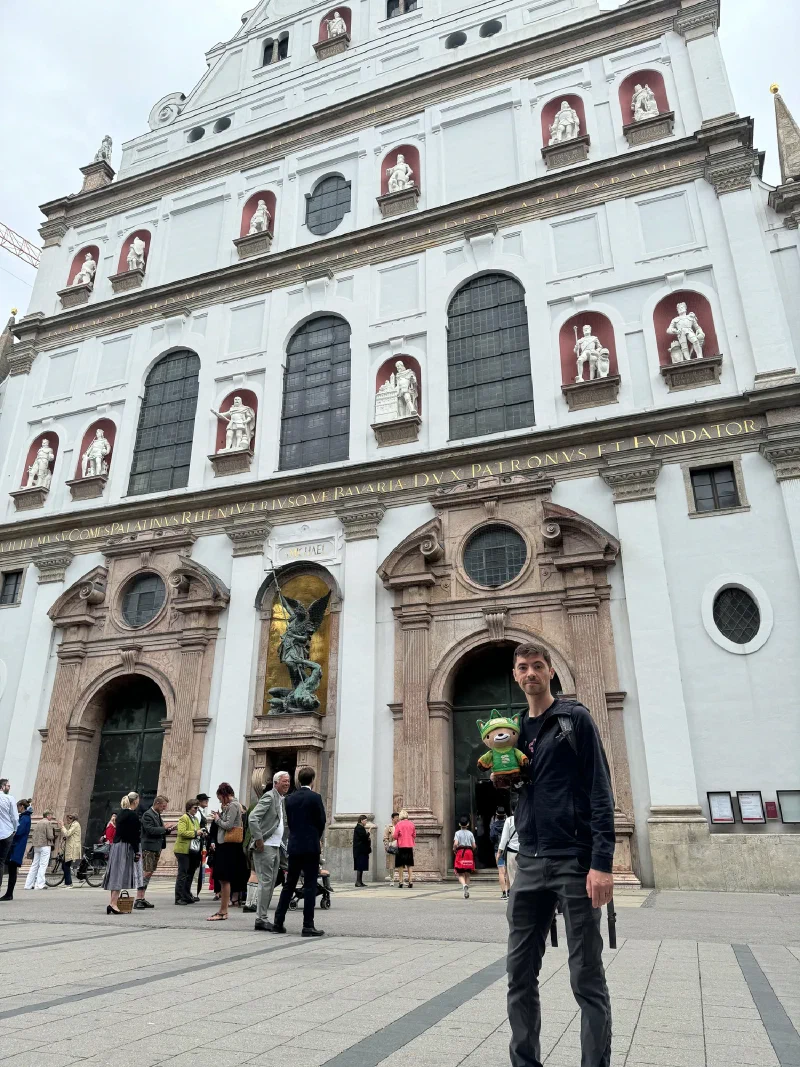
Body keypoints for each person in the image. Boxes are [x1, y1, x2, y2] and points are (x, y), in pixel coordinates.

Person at [504, 642, 615, 1067]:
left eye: (537, 666)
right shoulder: (514, 729)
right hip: (529, 861)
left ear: (550, 671)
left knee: (586, 978)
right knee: (518, 975)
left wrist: (601, 863)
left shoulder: (574, 719)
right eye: (523, 667)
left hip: (574, 861)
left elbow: (600, 790)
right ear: (516, 675)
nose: (530, 673)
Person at [267, 765, 326, 937]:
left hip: (294, 845)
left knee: (289, 884)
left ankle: (278, 922)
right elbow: (321, 821)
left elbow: (290, 822)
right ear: (313, 780)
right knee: (310, 885)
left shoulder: (290, 799)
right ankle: (308, 925)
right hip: (311, 846)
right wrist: (315, 836)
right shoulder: (315, 797)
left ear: (298, 781)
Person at [248, 770, 290, 930]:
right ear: (276, 783)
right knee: (266, 882)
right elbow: (253, 817)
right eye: (284, 781)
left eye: (289, 781)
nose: (287, 784)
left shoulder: (280, 799)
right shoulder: (269, 797)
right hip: (265, 846)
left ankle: (262, 917)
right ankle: (261, 918)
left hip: (276, 846)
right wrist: (259, 839)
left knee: (270, 883)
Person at [207, 783, 247, 921]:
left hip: (228, 845)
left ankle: (223, 911)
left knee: (224, 878)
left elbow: (229, 826)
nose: (220, 801)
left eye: (220, 798)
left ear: (224, 795)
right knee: (223, 878)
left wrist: (217, 819)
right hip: (225, 845)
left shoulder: (233, 805)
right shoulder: (231, 806)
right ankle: (222, 910)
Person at [102, 791, 144, 914]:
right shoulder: (132, 815)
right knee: (119, 873)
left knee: (115, 873)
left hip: (116, 846)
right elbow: (133, 835)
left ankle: (112, 902)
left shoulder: (120, 813)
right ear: (135, 801)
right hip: (125, 846)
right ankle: (113, 904)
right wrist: (137, 851)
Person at [139, 795, 171, 908]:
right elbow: (150, 830)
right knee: (147, 872)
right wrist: (164, 828)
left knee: (150, 871)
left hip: (156, 847)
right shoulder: (148, 814)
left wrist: (168, 829)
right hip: (149, 848)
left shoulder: (157, 815)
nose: (164, 808)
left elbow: (159, 830)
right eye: (163, 806)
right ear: (157, 803)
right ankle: (139, 898)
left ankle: (142, 897)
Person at [1, 799, 31, 900]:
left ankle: (9, 894)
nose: (16, 809)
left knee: (12, 870)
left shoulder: (25, 818)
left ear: (21, 806)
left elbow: (18, 831)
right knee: (12, 870)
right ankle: (9, 893)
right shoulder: (24, 817)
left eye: (17, 807)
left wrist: (10, 831)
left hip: (16, 847)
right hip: (16, 846)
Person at [175, 800, 202, 905]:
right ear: (189, 807)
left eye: (197, 808)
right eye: (195, 808)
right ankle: (178, 897)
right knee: (183, 873)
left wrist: (201, 833)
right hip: (183, 850)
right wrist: (195, 833)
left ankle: (186, 895)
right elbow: (181, 832)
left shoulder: (195, 819)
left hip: (192, 850)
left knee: (190, 873)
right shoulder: (184, 818)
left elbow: (197, 831)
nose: (196, 810)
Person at [25, 809, 56, 890]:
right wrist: (53, 837)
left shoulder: (38, 823)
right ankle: (40, 885)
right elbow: (50, 836)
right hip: (45, 845)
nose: (51, 817)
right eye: (51, 815)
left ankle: (28, 884)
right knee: (43, 865)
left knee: (34, 865)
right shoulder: (48, 823)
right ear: (48, 815)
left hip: (36, 846)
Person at [453, 816, 476, 899]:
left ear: (459, 824)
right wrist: (471, 850)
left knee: (460, 873)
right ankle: (466, 891)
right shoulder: (470, 833)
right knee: (467, 874)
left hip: (461, 853)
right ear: (468, 824)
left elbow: (456, 843)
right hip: (469, 853)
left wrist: (454, 849)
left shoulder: (457, 833)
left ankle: (464, 885)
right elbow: (474, 846)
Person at [0, 779, 18, 881]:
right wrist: (15, 829)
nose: (9, 788)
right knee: (1, 861)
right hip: (7, 832)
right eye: (8, 786)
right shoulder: (10, 798)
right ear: (2, 787)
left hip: (5, 832)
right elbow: (15, 817)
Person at [392, 809, 416, 888]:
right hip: (409, 846)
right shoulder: (412, 824)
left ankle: (401, 881)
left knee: (400, 865)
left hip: (401, 846)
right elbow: (414, 835)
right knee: (409, 864)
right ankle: (410, 881)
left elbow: (395, 836)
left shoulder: (399, 824)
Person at [489, 807, 509, 899]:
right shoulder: (508, 824)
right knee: (507, 871)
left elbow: (492, 837)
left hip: (498, 850)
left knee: (501, 872)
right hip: (508, 849)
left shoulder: (494, 825)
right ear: (505, 815)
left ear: (496, 815)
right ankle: (509, 891)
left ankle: (504, 893)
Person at [497, 812, 520, 887]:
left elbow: (504, 838)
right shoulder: (526, 818)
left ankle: (514, 892)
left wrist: (499, 852)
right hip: (524, 851)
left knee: (512, 876)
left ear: (512, 811)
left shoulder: (509, 820)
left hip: (512, 851)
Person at [60, 813, 82, 888]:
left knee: (66, 865)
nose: (67, 820)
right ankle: (67, 882)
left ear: (73, 819)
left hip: (72, 848)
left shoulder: (75, 825)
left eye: (69, 819)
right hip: (70, 847)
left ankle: (69, 883)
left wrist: (62, 826)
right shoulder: (73, 824)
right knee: (64, 865)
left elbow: (67, 833)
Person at [195, 793, 210, 895]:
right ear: (200, 801)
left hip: (202, 841)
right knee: (196, 868)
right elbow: (197, 826)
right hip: (198, 841)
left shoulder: (202, 812)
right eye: (205, 800)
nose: (207, 801)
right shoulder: (198, 812)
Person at [353, 815, 371, 888]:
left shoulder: (360, 828)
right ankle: (358, 881)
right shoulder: (359, 828)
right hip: (360, 850)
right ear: (361, 820)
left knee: (361, 866)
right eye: (365, 820)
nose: (366, 822)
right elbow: (364, 838)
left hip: (361, 850)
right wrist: (368, 833)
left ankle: (360, 881)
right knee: (359, 866)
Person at [383, 812, 399, 883]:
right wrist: (386, 845)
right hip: (391, 845)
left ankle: (401, 879)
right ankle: (392, 879)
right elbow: (385, 837)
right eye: (396, 817)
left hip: (399, 845)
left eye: (398, 817)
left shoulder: (399, 826)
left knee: (400, 863)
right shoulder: (388, 826)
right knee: (391, 863)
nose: (398, 819)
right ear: (392, 818)